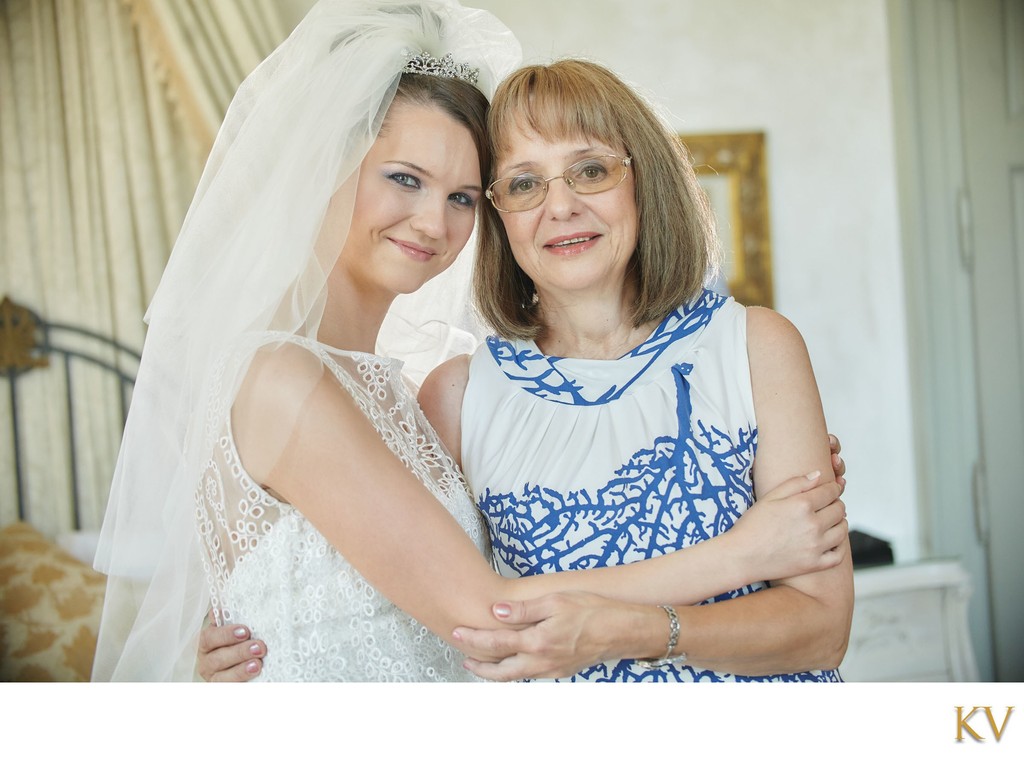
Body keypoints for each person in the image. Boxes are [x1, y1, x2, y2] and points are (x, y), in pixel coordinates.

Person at [191, 41, 851, 681]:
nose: (431, 222)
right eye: (523, 183)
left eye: (590, 170)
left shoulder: (395, 390)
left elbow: (425, 589)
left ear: (643, 179)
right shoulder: (445, 393)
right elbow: (486, 610)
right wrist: (742, 554)